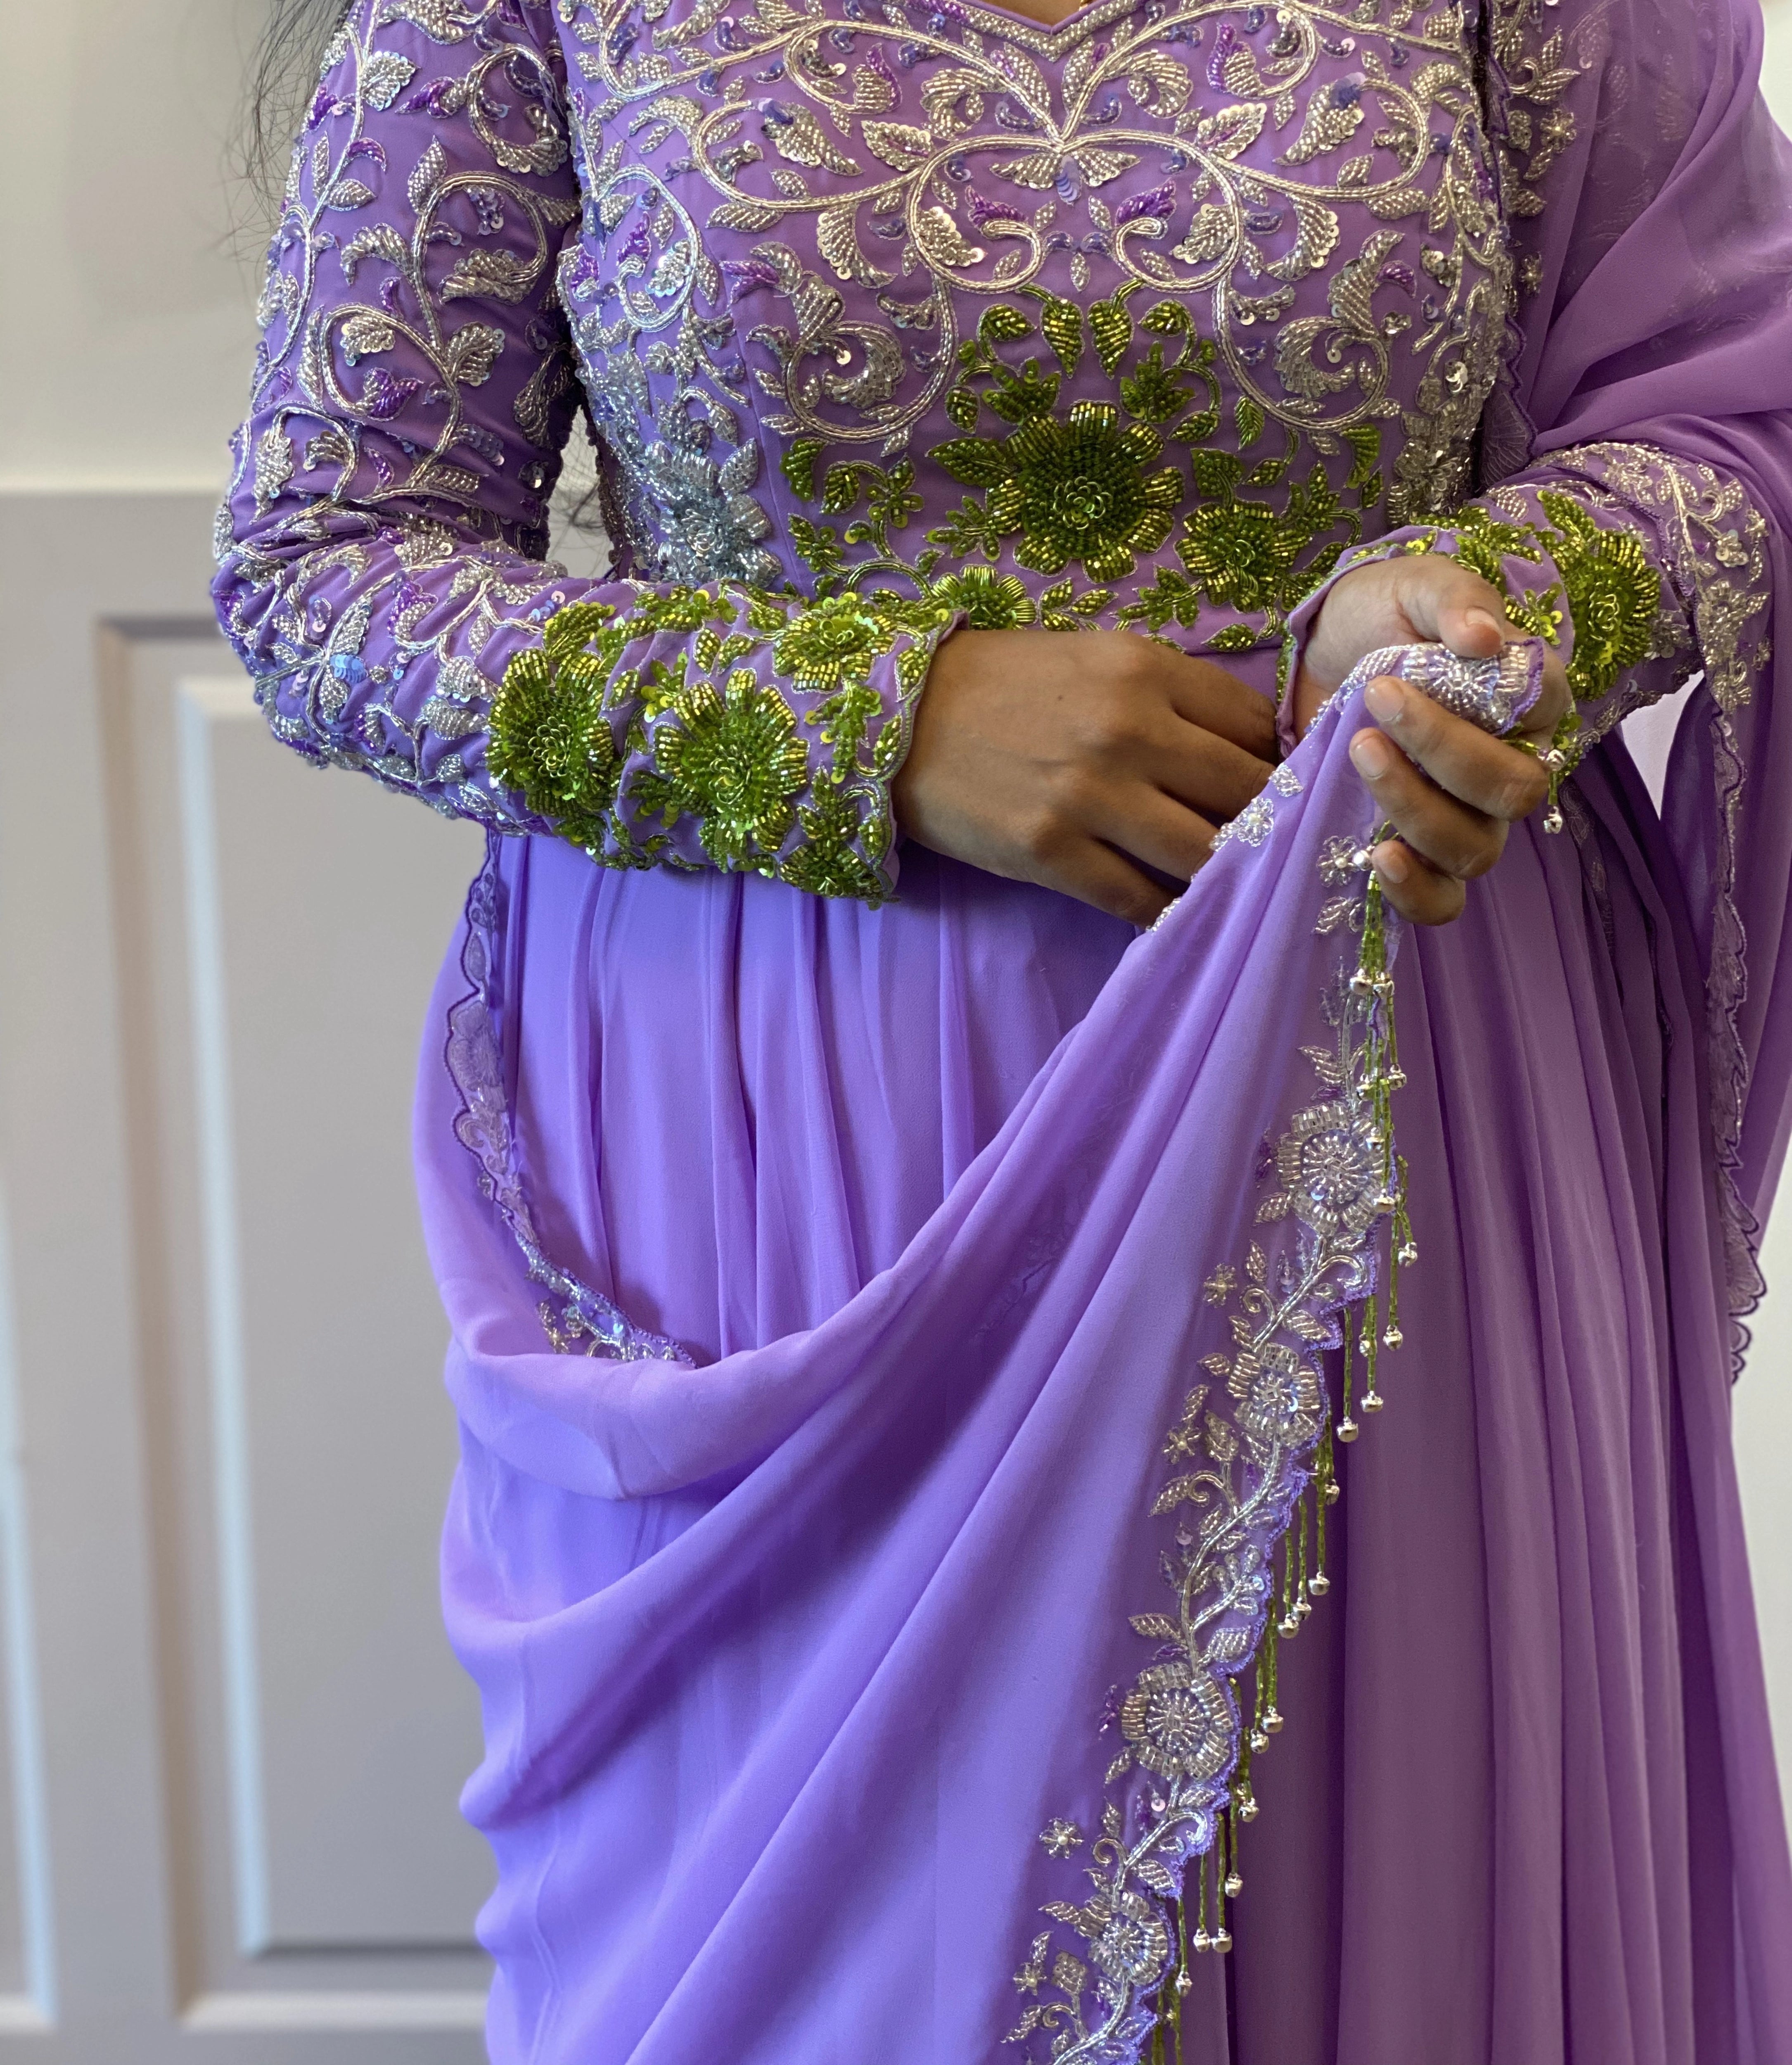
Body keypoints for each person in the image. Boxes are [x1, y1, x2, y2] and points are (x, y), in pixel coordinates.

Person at [215, 0, 1792, 2056]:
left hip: (1390, 1114)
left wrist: (1479, 590)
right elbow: (327, 561)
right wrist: (876, 722)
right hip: (789, 1173)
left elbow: (1720, 420)